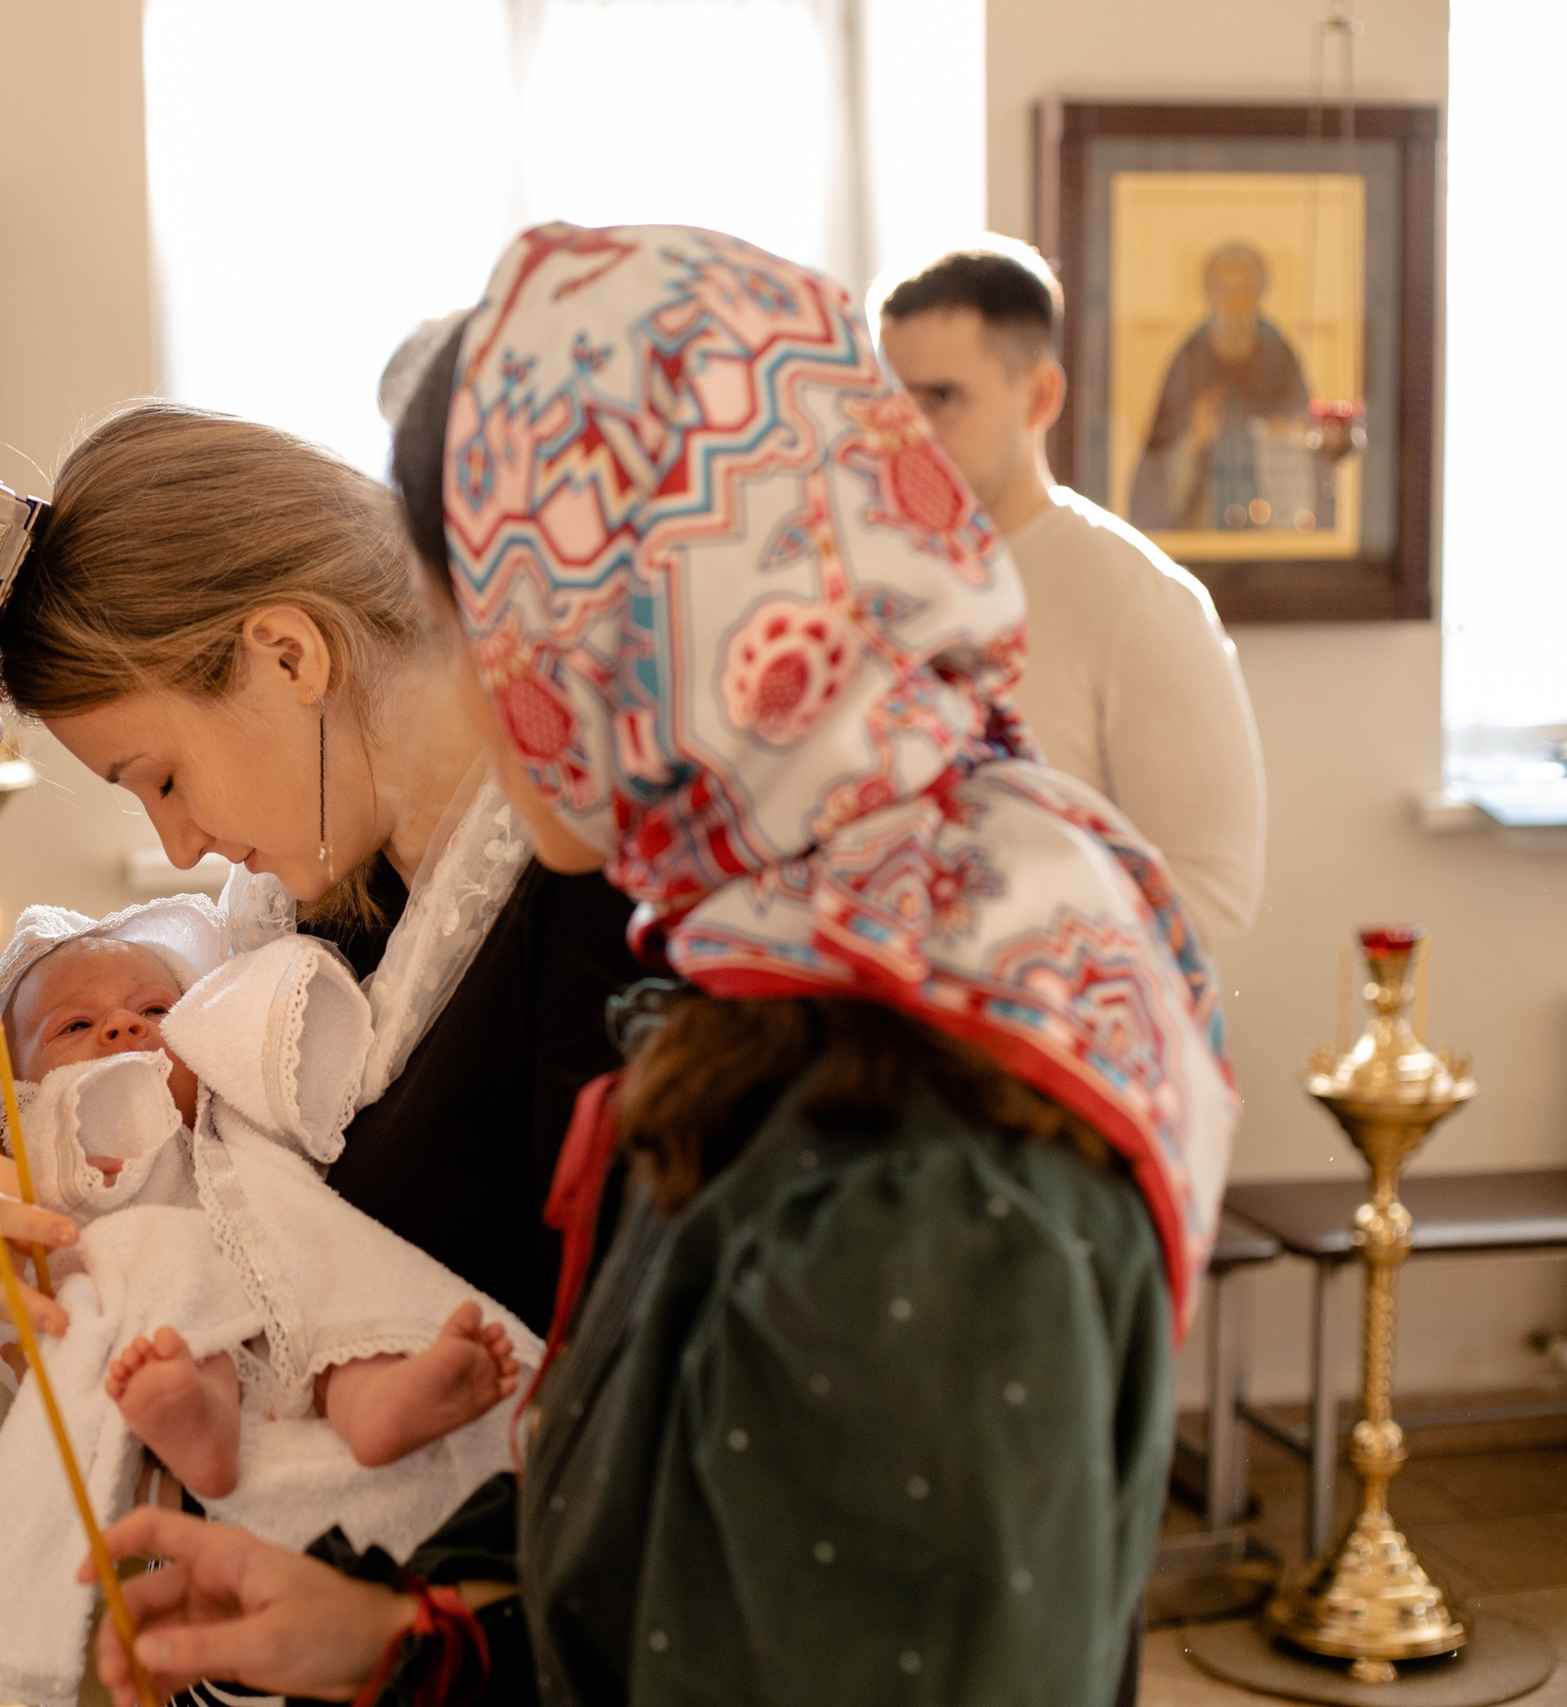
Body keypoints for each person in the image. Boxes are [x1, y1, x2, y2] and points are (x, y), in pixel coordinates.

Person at [77, 223, 1237, 1707]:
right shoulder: (838, 945)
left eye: (472, 617)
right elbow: (691, 1552)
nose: (478, 699)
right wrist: (396, 1638)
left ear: (627, 614)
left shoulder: (917, 1156)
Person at [0, 400, 649, 1364]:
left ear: (289, 654)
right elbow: (158, 1098)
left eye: (165, 779)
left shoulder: (598, 893)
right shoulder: (311, 895)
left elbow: (622, 1355)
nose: (180, 849)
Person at [0, 897, 534, 1707]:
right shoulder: (44, 1133)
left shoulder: (225, 1111)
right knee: (157, 1295)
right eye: (75, 1026)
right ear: (15, 1091)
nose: (124, 1030)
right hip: (162, 1316)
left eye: (154, 1011)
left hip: (280, 1280)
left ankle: (378, 1395)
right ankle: (195, 1416)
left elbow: (273, 1035)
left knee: (345, 1298)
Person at [877, 241, 1266, 953]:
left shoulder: (1138, 601)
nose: (910, 433)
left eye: (941, 397)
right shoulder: (862, 580)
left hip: (1049, 1035)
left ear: (1041, 397)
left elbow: (1211, 893)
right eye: (891, 403)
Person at [1125, 241, 1323, 535]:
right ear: (1209, 296)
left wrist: (1286, 435)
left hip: (1272, 517)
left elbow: (1310, 440)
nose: (1234, 304)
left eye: (1244, 290)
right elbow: (1155, 461)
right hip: (1203, 518)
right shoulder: (1189, 357)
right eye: (1224, 291)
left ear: (1259, 295)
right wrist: (1193, 440)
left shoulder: (1278, 354)